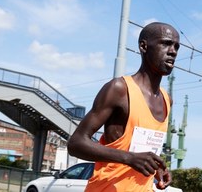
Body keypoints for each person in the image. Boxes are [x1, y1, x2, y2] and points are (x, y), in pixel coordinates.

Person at [68, 22, 180, 192]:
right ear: (143, 46)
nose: (173, 51)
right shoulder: (119, 89)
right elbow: (76, 143)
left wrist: (154, 167)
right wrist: (129, 158)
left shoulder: (167, 100)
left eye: (176, 47)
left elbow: (139, 151)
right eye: (165, 43)